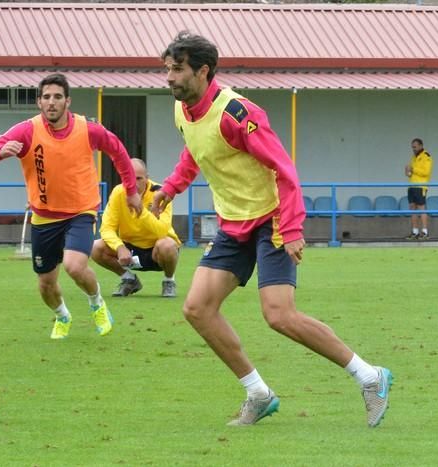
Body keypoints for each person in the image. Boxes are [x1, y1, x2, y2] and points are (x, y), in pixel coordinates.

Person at [153, 32, 393, 427]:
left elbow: (284, 169)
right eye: (167, 69)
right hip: (234, 225)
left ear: (203, 71)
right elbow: (195, 152)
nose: (169, 78)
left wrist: (293, 228)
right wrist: (171, 187)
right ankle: (258, 394)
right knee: (197, 308)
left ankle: (370, 377)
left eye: (177, 70)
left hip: (272, 221)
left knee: (279, 315)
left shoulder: (238, 114)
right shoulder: (183, 110)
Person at [0, 73, 141, 339]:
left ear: (67, 101)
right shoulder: (26, 130)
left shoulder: (88, 129)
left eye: (57, 97)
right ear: (39, 102)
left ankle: (97, 303)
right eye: (47, 97)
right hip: (43, 216)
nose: (52, 102)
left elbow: (118, 151)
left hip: (81, 212)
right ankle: (62, 316)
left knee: (74, 266)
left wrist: (131, 190)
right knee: (45, 284)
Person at [91, 158, 181, 298]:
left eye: (139, 178)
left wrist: (141, 210)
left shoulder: (160, 193)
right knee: (96, 248)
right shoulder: (118, 193)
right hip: (130, 249)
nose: (133, 183)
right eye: (129, 178)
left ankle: (169, 281)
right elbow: (106, 228)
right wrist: (120, 247)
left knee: (167, 245)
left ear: (147, 178)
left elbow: (162, 231)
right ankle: (129, 279)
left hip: (156, 250)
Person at [404, 138, 433, 240]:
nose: (413, 149)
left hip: (421, 186)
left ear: (420, 146)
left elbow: (426, 172)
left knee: (421, 208)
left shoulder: (426, 156)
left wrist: (413, 169)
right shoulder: (414, 157)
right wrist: (408, 172)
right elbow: (411, 173)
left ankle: (425, 232)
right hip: (412, 186)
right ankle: (414, 231)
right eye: (412, 147)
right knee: (412, 208)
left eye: (415, 147)